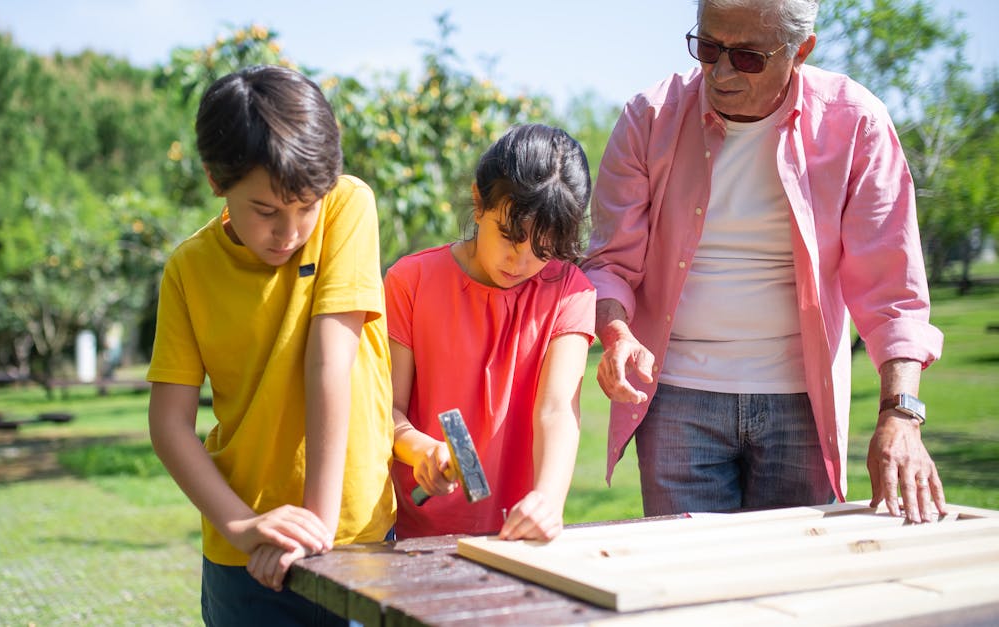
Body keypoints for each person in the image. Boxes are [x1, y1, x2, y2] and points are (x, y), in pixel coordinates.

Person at [582, 0, 947, 525]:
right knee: (691, 587)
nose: (721, 71)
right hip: (677, 396)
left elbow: (894, 293)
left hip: (801, 403)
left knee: (793, 589)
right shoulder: (650, 116)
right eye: (707, 48)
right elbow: (610, 261)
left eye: (748, 57)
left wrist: (901, 414)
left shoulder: (856, 124)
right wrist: (616, 333)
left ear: (801, 51)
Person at [146, 65, 394, 626]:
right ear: (216, 180)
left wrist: (317, 528)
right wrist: (242, 526)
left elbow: (331, 360)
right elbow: (168, 424)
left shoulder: (347, 205)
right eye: (266, 211)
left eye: (306, 207)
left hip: (351, 537)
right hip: (244, 560)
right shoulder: (188, 270)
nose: (291, 232)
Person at [386, 124, 596, 541]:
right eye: (509, 236)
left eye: (542, 250)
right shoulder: (410, 280)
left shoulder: (570, 290)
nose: (519, 262)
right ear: (479, 202)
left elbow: (557, 408)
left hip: (515, 534)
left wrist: (549, 499)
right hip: (410, 535)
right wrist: (422, 449)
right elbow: (387, 410)